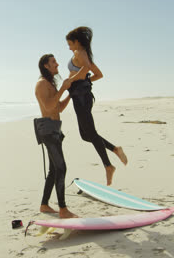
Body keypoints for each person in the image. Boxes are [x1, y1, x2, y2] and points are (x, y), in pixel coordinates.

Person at [65, 26, 128, 186]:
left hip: (81, 98)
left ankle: (108, 166)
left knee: (90, 133)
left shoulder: (79, 53)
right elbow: (98, 75)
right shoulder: (82, 53)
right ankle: (115, 149)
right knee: (85, 135)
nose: (68, 46)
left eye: (70, 43)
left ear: (76, 41)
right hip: (80, 96)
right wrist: (84, 80)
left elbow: (86, 69)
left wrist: (74, 80)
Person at [34, 54, 78, 218]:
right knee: (61, 168)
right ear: (46, 66)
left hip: (55, 130)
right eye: (53, 62)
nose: (57, 64)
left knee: (54, 170)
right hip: (48, 131)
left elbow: (58, 108)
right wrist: (63, 89)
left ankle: (44, 205)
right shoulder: (42, 84)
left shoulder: (50, 84)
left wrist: (69, 94)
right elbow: (48, 105)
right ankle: (63, 209)